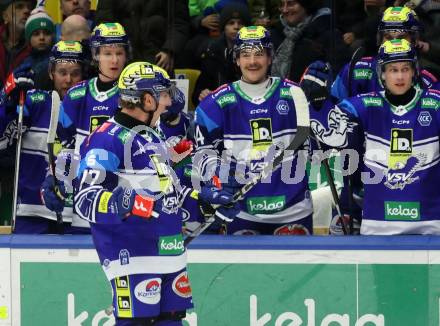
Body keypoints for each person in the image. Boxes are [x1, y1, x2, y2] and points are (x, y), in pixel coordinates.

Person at [74, 61, 238, 324]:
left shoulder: (152, 137)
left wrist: (206, 204)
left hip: (169, 254)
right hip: (133, 257)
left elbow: (169, 197)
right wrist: (125, 201)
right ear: (146, 100)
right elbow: (85, 199)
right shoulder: (108, 138)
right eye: (162, 95)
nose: (167, 102)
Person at [311, 39, 440, 235]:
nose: (399, 76)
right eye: (393, 70)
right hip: (378, 225)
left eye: (405, 69)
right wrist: (318, 101)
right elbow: (328, 132)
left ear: (414, 71)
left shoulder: (435, 103)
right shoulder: (365, 104)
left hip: (430, 225)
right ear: (382, 73)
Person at [193, 26, 313, 235]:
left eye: (259, 54)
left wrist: (323, 103)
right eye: (245, 55)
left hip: (294, 210)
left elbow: (327, 138)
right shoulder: (216, 103)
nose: (252, 62)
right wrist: (217, 179)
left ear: (270, 58)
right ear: (237, 59)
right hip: (242, 211)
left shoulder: (294, 94)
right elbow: (204, 153)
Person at [41, 22, 129, 229]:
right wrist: (57, 179)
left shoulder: (134, 95)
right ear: (96, 55)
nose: (114, 60)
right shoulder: (77, 95)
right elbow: (67, 148)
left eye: (119, 53)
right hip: (85, 208)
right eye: (107, 53)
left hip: (126, 206)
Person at [0, 40, 85, 233]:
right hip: (31, 215)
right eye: (62, 72)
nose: (69, 80)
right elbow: (2, 140)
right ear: (51, 73)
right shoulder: (35, 101)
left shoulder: (91, 109)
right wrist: (6, 100)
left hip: (78, 217)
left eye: (75, 73)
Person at [331, 6, 438, 102]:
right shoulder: (355, 70)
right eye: (388, 37)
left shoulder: (428, 79)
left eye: (401, 37)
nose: (394, 42)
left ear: (415, 40)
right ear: (380, 40)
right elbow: (332, 110)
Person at [94, 0, 190, 73]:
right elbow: (103, 22)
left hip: (159, 56)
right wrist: (114, 52)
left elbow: (179, 23)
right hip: (122, 55)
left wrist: (170, 50)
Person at [270, 0, 349, 82]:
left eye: (291, 4)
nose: (285, 10)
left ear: (306, 5)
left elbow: (340, 77)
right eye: (281, 5)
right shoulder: (274, 34)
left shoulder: (328, 33)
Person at [192, 2, 251, 106]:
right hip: (219, 110)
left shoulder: (257, 54)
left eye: (240, 23)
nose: (236, 27)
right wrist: (202, 94)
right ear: (224, 27)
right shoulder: (212, 52)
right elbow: (197, 94)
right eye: (231, 23)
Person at [0, 0, 34, 85]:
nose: (27, 11)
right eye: (19, 6)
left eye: (30, 8)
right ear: (5, 16)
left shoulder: (36, 47)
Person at [21, 7, 55, 77]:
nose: (42, 37)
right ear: (28, 38)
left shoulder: (58, 61)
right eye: (36, 34)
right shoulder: (22, 63)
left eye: (46, 33)